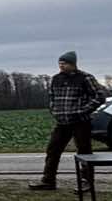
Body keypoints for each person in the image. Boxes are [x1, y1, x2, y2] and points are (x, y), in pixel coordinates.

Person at [29, 50, 107, 190]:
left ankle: (86, 181)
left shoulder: (85, 78)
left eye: (64, 63)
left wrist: (83, 110)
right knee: (53, 150)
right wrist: (54, 110)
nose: (61, 66)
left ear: (73, 64)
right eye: (60, 63)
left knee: (84, 152)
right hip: (62, 122)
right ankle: (48, 180)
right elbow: (52, 97)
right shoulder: (56, 79)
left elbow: (100, 96)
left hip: (80, 122)